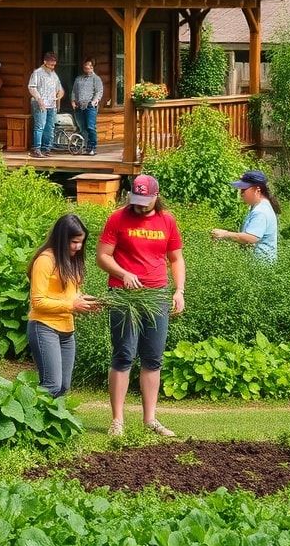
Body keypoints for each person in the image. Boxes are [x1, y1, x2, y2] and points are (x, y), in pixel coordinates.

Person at [96, 174, 185, 437]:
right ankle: (117, 421)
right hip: (124, 295)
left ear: (156, 196)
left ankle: (150, 420)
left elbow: (176, 259)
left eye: (146, 200)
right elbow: (102, 256)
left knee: (153, 358)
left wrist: (179, 290)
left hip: (156, 294)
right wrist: (123, 273)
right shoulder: (117, 218)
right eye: (136, 199)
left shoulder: (167, 221)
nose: (140, 205)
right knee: (124, 354)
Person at [27, 213, 101, 397]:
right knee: (51, 386)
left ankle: (54, 424)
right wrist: (72, 305)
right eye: (74, 242)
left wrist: (84, 300)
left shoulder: (71, 259)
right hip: (44, 327)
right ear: (61, 239)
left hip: (67, 330)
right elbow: (37, 302)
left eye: (81, 242)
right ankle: (35, 424)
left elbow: (70, 294)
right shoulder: (45, 260)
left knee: (63, 387)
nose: (79, 246)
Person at [211, 169, 280, 264]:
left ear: (257, 190)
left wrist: (225, 234)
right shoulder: (257, 207)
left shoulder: (261, 211)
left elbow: (251, 238)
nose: (241, 193)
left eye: (244, 189)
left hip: (261, 269)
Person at [27, 52, 64, 158]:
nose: (53, 66)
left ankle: (46, 149)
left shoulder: (54, 74)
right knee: (40, 126)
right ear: (45, 62)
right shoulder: (37, 73)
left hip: (51, 104)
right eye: (51, 64)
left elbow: (59, 88)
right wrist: (39, 100)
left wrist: (60, 94)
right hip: (40, 103)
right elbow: (31, 87)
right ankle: (36, 150)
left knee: (50, 127)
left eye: (54, 64)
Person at [71, 58, 103, 155]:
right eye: (85, 65)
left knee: (90, 127)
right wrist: (73, 101)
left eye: (88, 65)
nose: (86, 66)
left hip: (90, 106)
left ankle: (92, 147)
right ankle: (85, 147)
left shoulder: (96, 79)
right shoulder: (78, 78)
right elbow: (74, 91)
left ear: (92, 66)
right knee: (82, 128)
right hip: (79, 106)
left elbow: (99, 91)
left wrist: (94, 101)